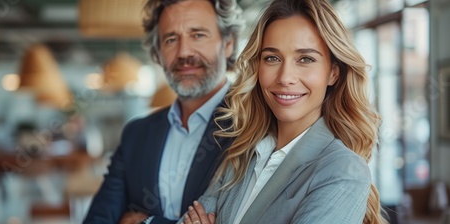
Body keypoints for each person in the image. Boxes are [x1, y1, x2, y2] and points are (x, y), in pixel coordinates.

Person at [180, 0, 387, 223]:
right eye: (272, 58)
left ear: (333, 73)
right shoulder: (240, 156)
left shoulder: (343, 170)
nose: (285, 77)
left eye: (305, 59)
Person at [83, 0, 243, 223]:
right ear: (158, 54)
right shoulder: (136, 134)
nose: (183, 51)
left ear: (228, 43)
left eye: (197, 35)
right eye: (171, 39)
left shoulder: (253, 125)